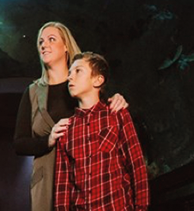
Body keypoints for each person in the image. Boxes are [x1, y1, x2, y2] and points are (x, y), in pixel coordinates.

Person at [13, 22, 128, 211]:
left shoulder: (82, 82)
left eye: (51, 39)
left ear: (66, 46)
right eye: (40, 42)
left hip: (86, 174)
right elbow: (19, 143)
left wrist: (116, 100)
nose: (44, 45)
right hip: (48, 177)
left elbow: (103, 115)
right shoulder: (32, 92)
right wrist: (48, 140)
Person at [54, 52, 149, 210]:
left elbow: (136, 164)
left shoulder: (116, 114)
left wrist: (141, 207)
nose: (70, 77)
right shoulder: (66, 128)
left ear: (98, 80)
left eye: (78, 71)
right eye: (69, 73)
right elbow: (62, 185)